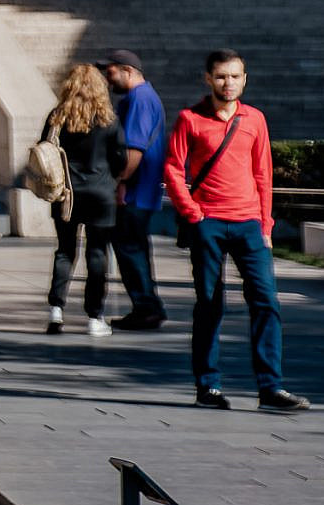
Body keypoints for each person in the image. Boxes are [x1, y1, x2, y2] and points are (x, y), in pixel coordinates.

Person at [163, 50, 309, 411]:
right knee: (211, 305)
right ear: (208, 79)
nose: (228, 83)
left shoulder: (255, 119)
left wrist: (266, 224)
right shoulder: (190, 119)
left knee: (266, 302)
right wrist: (193, 214)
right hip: (208, 223)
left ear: (245, 79)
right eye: (221, 77)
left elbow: (263, 173)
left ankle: (270, 388)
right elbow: (172, 169)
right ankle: (208, 386)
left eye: (235, 76)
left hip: (249, 224)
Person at [40, 64, 126, 337]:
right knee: (98, 253)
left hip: (66, 194)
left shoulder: (58, 117)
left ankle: (56, 309)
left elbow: (44, 149)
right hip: (100, 194)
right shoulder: (108, 119)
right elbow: (120, 157)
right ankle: (94, 316)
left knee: (65, 251)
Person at [99, 49, 168, 329]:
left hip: (135, 190)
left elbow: (134, 149)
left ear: (128, 71)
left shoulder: (139, 99)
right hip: (142, 189)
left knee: (130, 249)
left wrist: (121, 183)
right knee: (135, 248)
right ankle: (147, 306)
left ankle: (146, 307)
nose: (108, 77)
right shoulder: (144, 97)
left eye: (112, 71)